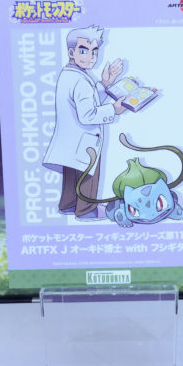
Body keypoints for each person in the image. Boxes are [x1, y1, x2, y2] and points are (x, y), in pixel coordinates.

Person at [42, 25, 127, 220]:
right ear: (71, 52)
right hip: (85, 142)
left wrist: (105, 84)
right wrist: (113, 109)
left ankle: (68, 204)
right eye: (84, 51)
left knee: (72, 173)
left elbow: (85, 101)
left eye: (94, 51)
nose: (91, 57)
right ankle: (86, 210)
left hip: (71, 140)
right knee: (88, 175)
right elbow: (87, 115)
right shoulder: (80, 80)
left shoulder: (69, 74)